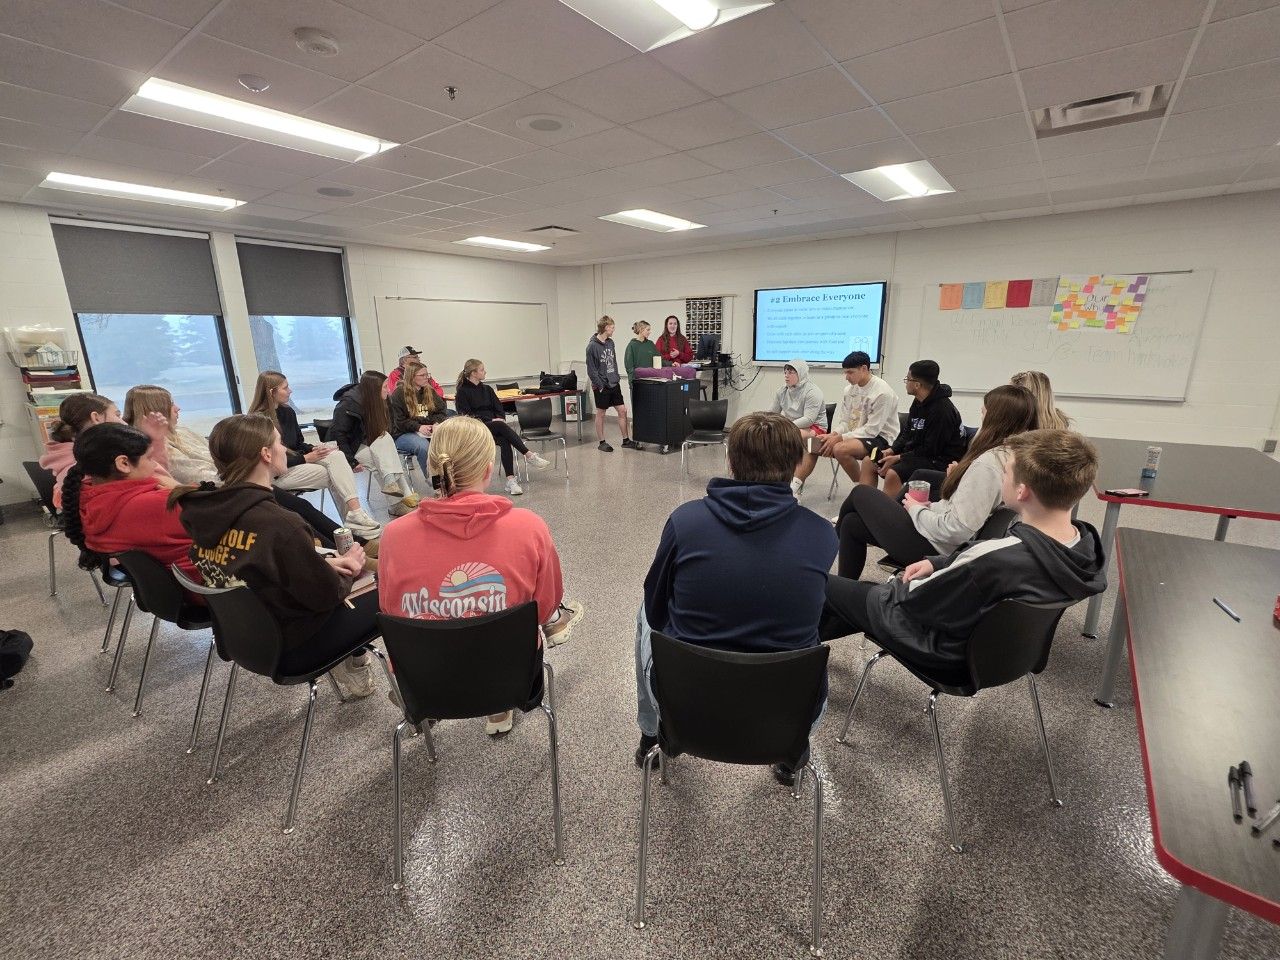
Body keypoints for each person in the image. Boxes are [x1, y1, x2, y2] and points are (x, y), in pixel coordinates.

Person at [634, 412, 838, 786]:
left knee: (642, 615)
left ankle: (652, 732)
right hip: (789, 715)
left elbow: (656, 607)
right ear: (797, 463)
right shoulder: (823, 534)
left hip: (685, 706)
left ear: (730, 461)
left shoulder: (685, 521)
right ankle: (791, 758)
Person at [820, 429, 1106, 674]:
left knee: (820, 584)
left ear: (1021, 491)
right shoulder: (1083, 546)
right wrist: (939, 563)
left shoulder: (991, 558)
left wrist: (890, 587)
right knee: (847, 599)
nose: (1001, 478)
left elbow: (914, 600)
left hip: (942, 651)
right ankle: (806, 647)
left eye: (1005, 473)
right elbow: (974, 564)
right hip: (998, 655)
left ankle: (800, 656)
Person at [378, 416, 584, 735]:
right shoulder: (528, 527)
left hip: (427, 686)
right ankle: (499, 708)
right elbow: (544, 609)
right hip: (512, 679)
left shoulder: (393, 536)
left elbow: (393, 612)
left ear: (431, 468)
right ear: (489, 470)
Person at [171, 414, 381, 698]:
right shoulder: (278, 523)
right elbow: (327, 594)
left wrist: (322, 563)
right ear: (266, 454)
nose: (285, 449)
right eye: (280, 443)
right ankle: (407, 686)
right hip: (295, 643)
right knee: (385, 590)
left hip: (247, 639)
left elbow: (254, 567)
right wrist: (352, 568)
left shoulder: (205, 512)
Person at [833, 384, 1038, 579]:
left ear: (995, 418)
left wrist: (916, 510)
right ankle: (837, 584)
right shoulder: (1012, 455)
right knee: (851, 523)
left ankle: (825, 547)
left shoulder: (987, 465)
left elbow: (957, 530)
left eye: (984, 412)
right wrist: (930, 506)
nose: (981, 416)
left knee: (861, 493)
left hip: (938, 549)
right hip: (941, 536)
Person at [123, 384, 354, 550]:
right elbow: (209, 476)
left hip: (246, 479)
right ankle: (345, 547)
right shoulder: (160, 448)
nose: (178, 408)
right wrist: (300, 459)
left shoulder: (180, 433)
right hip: (232, 492)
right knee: (296, 513)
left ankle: (351, 541)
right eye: (171, 404)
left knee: (313, 490)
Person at [59, 422, 199, 583]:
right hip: (205, 587)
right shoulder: (155, 504)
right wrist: (181, 489)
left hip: (169, 587)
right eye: (149, 458)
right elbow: (218, 514)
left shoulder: (85, 500)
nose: (154, 465)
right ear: (123, 464)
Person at [248, 371, 382, 540]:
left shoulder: (288, 412)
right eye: (285, 388)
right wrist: (305, 458)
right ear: (271, 392)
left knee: (336, 456)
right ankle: (355, 523)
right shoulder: (259, 421)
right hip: (275, 475)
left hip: (295, 464)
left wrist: (315, 449)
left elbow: (298, 444)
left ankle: (355, 516)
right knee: (336, 475)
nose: (290, 391)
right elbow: (269, 461)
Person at [39, 392, 166, 509]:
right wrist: (153, 442)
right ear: (96, 418)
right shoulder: (98, 462)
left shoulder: (67, 458)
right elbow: (164, 485)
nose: (124, 423)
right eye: (117, 415)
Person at [794, 351, 900, 490]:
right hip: (855, 435)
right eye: (845, 372)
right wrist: (833, 434)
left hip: (881, 438)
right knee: (813, 444)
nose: (846, 377)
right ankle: (794, 488)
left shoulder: (882, 393)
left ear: (864, 368)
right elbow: (845, 422)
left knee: (840, 449)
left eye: (850, 372)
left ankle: (861, 489)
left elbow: (871, 430)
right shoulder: (849, 390)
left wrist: (839, 438)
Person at [454, 359, 551, 497]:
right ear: (474, 373)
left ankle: (511, 481)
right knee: (500, 425)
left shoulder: (487, 389)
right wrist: (492, 420)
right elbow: (467, 416)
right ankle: (529, 455)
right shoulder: (462, 392)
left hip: (494, 426)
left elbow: (499, 408)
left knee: (505, 439)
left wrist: (499, 417)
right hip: (476, 428)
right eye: (482, 370)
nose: (485, 372)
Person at [329, 371, 419, 518]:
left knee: (385, 441)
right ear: (373, 389)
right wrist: (351, 461)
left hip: (373, 443)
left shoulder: (381, 400)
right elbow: (339, 435)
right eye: (385, 387)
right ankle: (399, 502)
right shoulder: (347, 404)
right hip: (352, 447)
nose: (388, 390)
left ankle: (393, 487)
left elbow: (388, 428)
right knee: (381, 464)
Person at [877, 360, 967, 499]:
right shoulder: (919, 401)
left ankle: (889, 510)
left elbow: (931, 450)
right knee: (872, 462)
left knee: (893, 473)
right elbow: (907, 433)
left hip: (940, 460)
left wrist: (899, 458)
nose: (906, 382)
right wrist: (892, 450)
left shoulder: (941, 411)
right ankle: (866, 504)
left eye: (908, 379)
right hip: (921, 453)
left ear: (917, 385)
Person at [768, 359, 824, 496]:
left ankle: (795, 485)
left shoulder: (812, 391)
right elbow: (772, 414)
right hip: (792, 426)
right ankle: (777, 479)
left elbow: (809, 419)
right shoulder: (782, 391)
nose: (786, 376)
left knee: (790, 437)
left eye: (791, 372)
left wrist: (785, 427)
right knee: (770, 436)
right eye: (785, 372)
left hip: (815, 428)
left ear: (801, 373)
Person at [585, 316, 636, 452]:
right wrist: (600, 385)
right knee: (601, 413)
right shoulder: (592, 347)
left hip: (614, 383)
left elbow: (613, 362)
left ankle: (626, 440)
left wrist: (616, 377)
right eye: (612, 327)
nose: (613, 330)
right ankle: (602, 442)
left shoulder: (610, 343)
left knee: (622, 410)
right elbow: (591, 370)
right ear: (606, 328)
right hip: (601, 385)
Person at [389, 360, 448, 476]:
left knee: (446, 445)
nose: (427, 378)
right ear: (412, 377)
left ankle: (447, 479)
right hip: (403, 433)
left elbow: (442, 411)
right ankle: (435, 481)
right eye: (422, 375)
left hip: (427, 429)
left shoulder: (429, 390)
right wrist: (418, 427)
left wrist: (436, 423)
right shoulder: (399, 394)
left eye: (427, 374)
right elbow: (399, 422)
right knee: (424, 447)